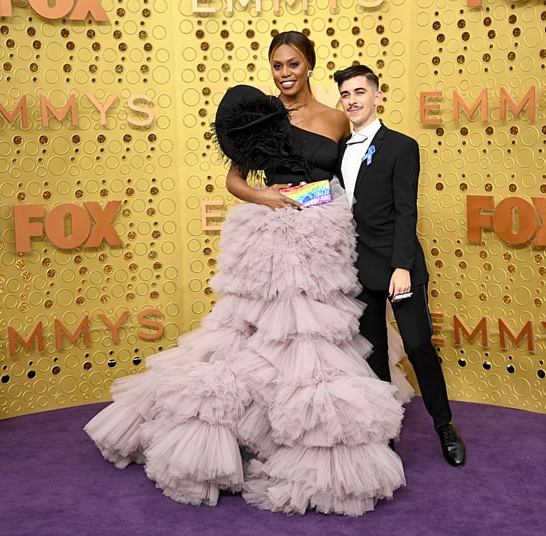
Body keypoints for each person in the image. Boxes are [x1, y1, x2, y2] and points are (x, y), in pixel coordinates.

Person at [84, 32, 407, 516]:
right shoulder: (260, 115)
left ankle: (313, 432)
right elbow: (235, 178)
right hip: (271, 233)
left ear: (310, 65)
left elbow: (348, 178)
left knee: (315, 335)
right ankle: (247, 435)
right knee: (255, 332)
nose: (284, 72)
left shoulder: (339, 118)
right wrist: (268, 197)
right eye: (277, 64)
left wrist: (348, 214)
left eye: (293, 63)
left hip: (324, 232)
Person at [334, 64, 467, 468]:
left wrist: (402, 266)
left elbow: (407, 211)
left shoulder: (401, 145)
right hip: (357, 268)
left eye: (360, 92)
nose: (353, 100)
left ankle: (445, 426)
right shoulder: (338, 149)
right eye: (345, 94)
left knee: (418, 346)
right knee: (373, 355)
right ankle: (384, 434)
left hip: (398, 264)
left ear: (377, 96)